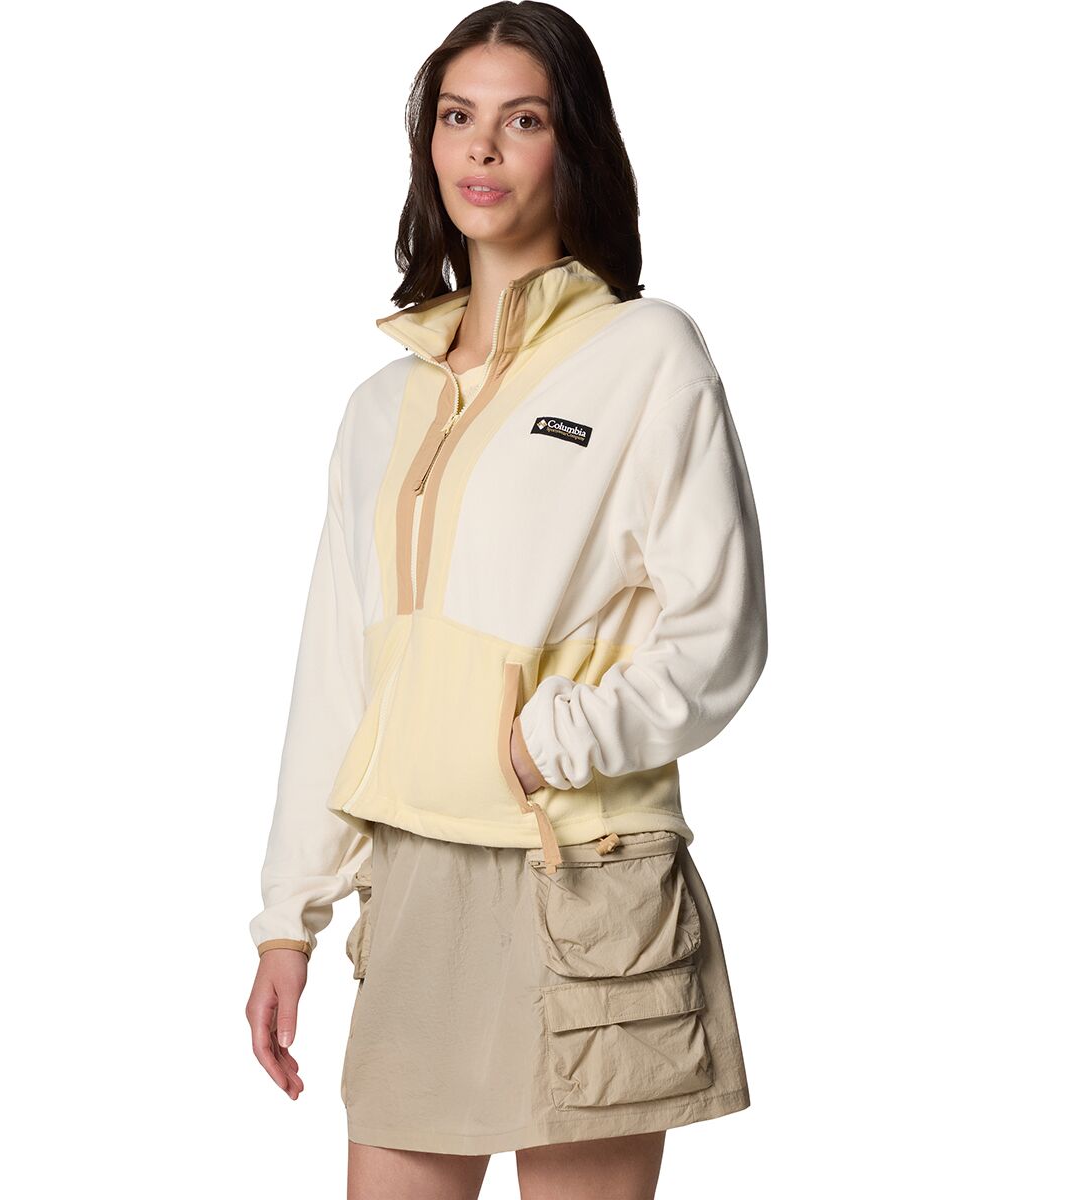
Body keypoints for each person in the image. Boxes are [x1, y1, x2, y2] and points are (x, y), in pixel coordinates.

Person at [244, 4, 769, 1196]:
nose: (481, 148)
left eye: (522, 120)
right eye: (456, 117)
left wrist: (547, 742)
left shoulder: (647, 354)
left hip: (580, 873)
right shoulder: (381, 407)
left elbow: (720, 633)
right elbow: (337, 673)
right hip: (416, 879)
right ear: (428, 144)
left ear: (572, 145)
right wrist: (289, 915)